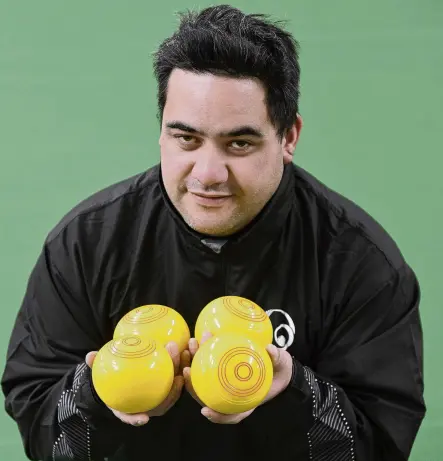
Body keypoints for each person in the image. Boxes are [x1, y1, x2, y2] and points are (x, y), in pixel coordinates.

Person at [1, 4, 426, 461]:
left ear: (289, 138)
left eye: (239, 143)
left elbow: (383, 446)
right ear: (161, 132)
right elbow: (40, 428)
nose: (207, 174)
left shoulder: (360, 262)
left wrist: (293, 392)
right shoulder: (86, 244)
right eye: (186, 138)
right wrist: (98, 394)